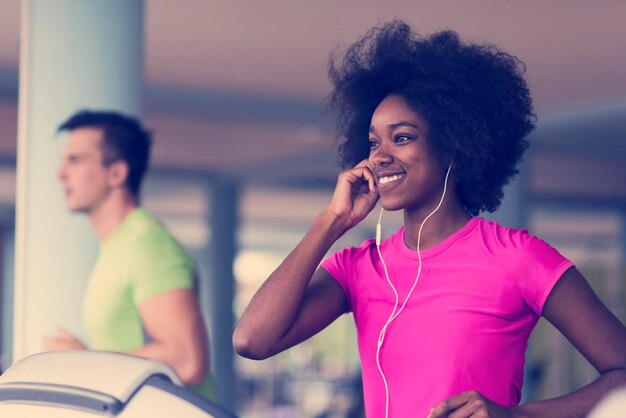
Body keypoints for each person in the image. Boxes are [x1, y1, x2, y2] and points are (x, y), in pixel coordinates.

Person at [233, 21, 626, 417]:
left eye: (401, 137)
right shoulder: (360, 268)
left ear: (454, 143)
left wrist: (516, 415)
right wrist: (331, 221)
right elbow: (252, 340)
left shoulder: (517, 257)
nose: (380, 155)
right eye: (373, 142)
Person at [43, 110, 214, 399]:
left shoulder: (148, 246)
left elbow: (187, 360)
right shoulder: (118, 246)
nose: (60, 174)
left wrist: (85, 361)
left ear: (117, 173)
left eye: (75, 160)